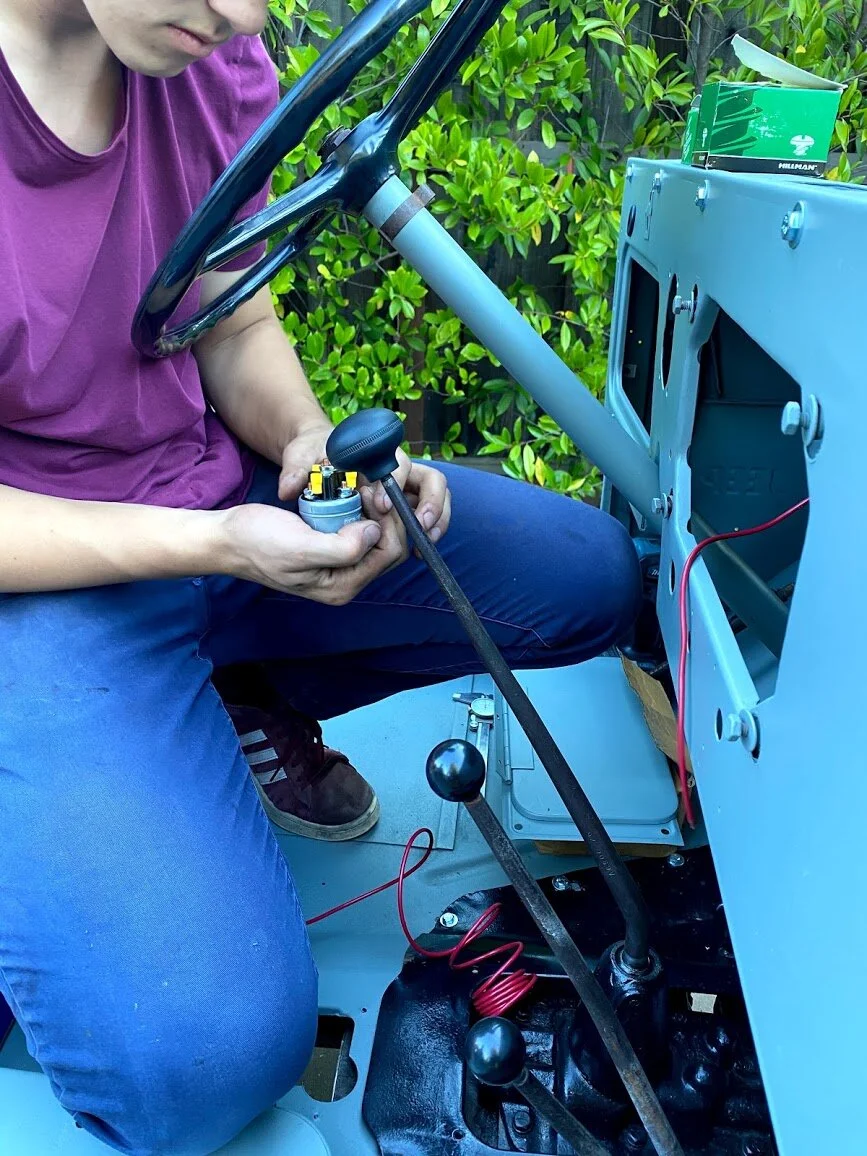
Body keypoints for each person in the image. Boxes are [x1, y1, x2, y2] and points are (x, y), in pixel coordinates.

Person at [0, 1, 642, 1153]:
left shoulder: (197, 54)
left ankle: (231, 698)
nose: (244, 15)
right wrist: (212, 545)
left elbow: (230, 321)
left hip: (215, 502)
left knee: (590, 581)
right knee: (201, 1068)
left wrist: (305, 446)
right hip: (45, 589)